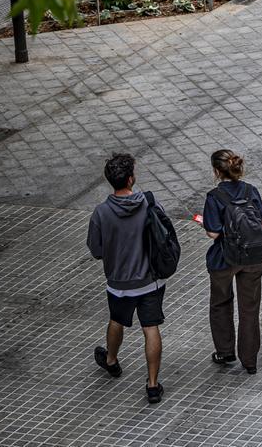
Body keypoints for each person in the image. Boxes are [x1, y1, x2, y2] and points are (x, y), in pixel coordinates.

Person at [87, 153, 168, 404]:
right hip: (150, 280)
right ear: (131, 179)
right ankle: (152, 385)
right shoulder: (148, 204)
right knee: (150, 327)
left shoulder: (101, 213)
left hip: (119, 283)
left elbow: (96, 251)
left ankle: (111, 360)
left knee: (117, 320)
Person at [201, 150, 262, 375]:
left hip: (224, 258)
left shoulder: (214, 197)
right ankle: (250, 360)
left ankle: (225, 351)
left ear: (217, 172)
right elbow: (261, 218)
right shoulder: (251, 191)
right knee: (249, 308)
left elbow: (213, 232)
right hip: (252, 256)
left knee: (221, 303)